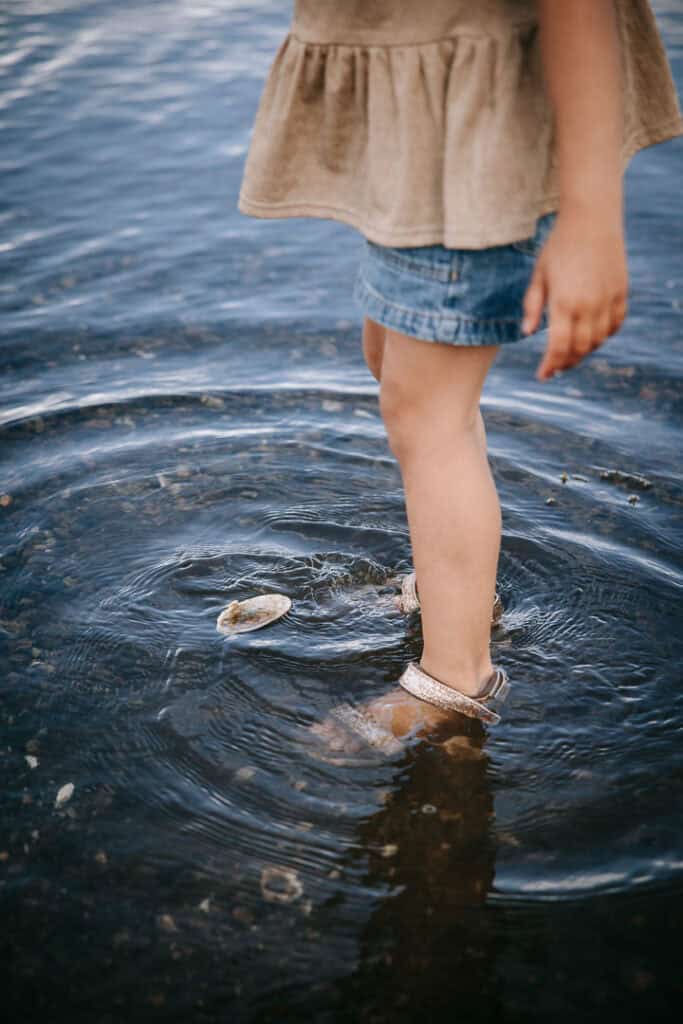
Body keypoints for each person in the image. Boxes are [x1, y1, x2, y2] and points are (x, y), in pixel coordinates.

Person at [237, 1, 683, 747]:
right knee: (399, 376)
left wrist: (590, 219)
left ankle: (454, 678)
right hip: (418, 132)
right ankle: (454, 598)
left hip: (470, 140)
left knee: (427, 413)